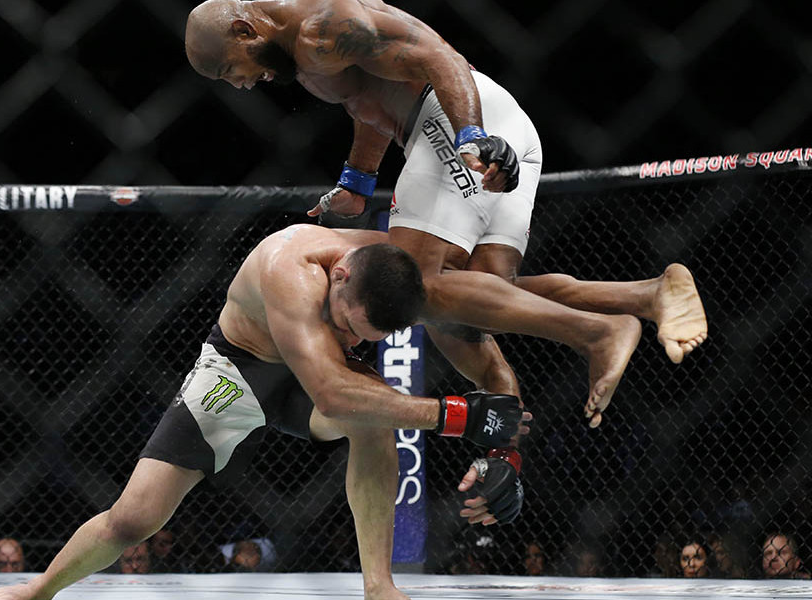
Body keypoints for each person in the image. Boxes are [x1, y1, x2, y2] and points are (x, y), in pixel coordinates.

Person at [184, 0, 708, 525]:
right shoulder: (314, 47)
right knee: (471, 308)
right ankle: (642, 296)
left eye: (231, 69)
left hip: (452, 121)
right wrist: (357, 182)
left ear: (243, 28)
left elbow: (436, 56)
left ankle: (596, 333)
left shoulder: (321, 29)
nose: (240, 85)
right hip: (498, 125)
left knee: (418, 288)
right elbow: (365, 98)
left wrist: (470, 136)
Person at [0, 224, 526, 600]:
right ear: (339, 276)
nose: (348, 335)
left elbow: (482, 334)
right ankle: (35, 592)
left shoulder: (398, 269)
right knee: (136, 518)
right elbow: (333, 393)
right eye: (348, 323)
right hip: (240, 372)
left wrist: (506, 448)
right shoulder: (290, 264)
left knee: (374, 421)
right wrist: (457, 416)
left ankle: (379, 587)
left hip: (310, 381)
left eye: (363, 336)